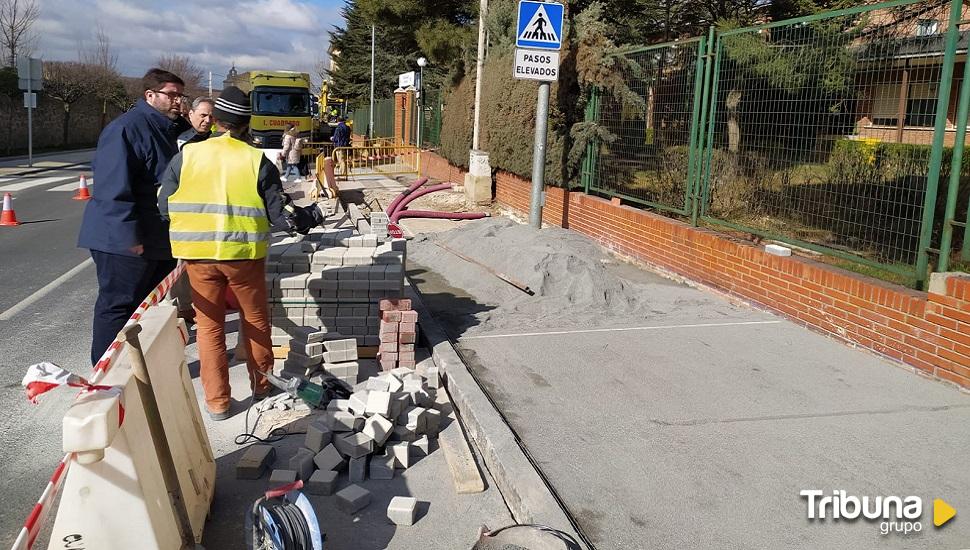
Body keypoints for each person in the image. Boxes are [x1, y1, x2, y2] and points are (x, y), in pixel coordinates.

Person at [157, 86, 325, 420]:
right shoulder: (256, 161)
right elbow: (283, 216)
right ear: (246, 123)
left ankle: (218, 402)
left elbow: (164, 205)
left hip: (198, 257)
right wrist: (312, 216)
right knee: (255, 321)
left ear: (215, 120)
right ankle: (262, 385)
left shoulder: (186, 155)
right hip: (243, 257)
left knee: (208, 328)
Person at [78, 67, 190, 366]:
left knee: (146, 307)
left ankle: (137, 369)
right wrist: (129, 238)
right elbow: (113, 188)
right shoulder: (127, 129)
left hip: (156, 239)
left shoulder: (168, 129)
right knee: (117, 307)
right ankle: (105, 373)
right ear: (150, 95)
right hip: (125, 242)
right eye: (172, 95)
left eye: (181, 95)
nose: (179, 101)